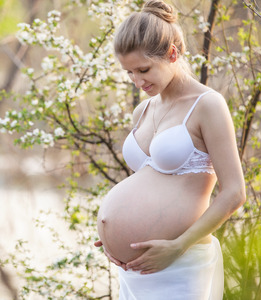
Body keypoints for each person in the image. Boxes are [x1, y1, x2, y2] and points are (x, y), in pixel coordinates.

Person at [94, 1, 246, 299]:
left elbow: (235, 193)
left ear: (172, 54)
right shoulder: (143, 111)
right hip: (135, 271)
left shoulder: (207, 105)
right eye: (129, 73)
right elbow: (153, 186)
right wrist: (112, 235)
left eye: (143, 69)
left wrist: (178, 246)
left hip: (179, 263)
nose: (137, 82)